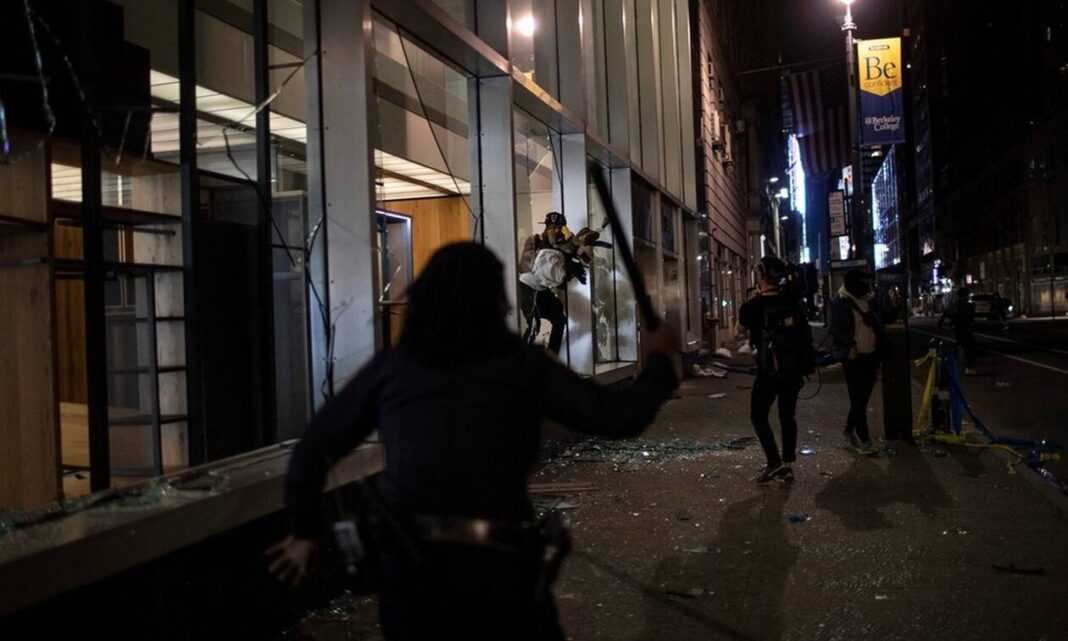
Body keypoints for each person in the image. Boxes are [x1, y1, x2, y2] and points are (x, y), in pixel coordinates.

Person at [267, 242, 679, 641]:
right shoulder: (522, 366)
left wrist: (304, 531)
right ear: (495, 301)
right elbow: (618, 417)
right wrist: (659, 362)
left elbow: (313, 449)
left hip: (411, 572)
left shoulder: (394, 369)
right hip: (500, 568)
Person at [739, 256, 815, 483]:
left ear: (762, 276)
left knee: (758, 415)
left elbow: (742, 324)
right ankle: (787, 463)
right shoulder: (793, 303)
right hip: (792, 370)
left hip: (768, 370)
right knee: (787, 415)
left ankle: (774, 462)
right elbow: (805, 336)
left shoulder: (753, 305)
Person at [830, 269, 886, 454]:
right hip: (853, 357)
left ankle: (849, 430)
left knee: (862, 398)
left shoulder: (869, 300)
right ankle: (864, 439)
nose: (866, 288)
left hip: (871, 354)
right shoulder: (840, 302)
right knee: (857, 398)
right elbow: (837, 329)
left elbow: (879, 322)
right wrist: (849, 345)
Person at [938, 283, 977, 374]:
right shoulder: (969, 305)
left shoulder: (955, 305)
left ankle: (960, 366)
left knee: (960, 346)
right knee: (969, 347)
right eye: (967, 294)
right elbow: (972, 318)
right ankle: (968, 367)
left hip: (956, 328)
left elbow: (945, 314)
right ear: (965, 295)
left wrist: (941, 324)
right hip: (965, 328)